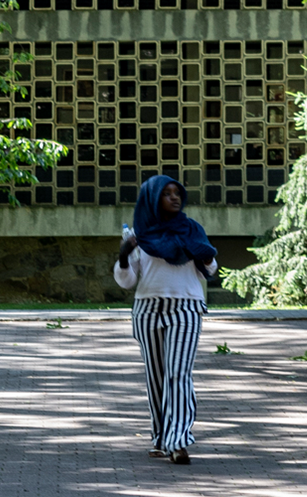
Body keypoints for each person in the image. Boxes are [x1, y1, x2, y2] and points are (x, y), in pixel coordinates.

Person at [113, 175, 218, 465]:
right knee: (157, 376)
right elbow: (127, 281)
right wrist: (124, 256)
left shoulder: (191, 229)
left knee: (178, 374)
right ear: (152, 198)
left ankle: (179, 440)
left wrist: (206, 256)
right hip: (148, 309)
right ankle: (161, 438)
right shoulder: (139, 234)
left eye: (177, 193)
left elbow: (209, 270)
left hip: (186, 308)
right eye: (166, 194)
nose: (174, 198)